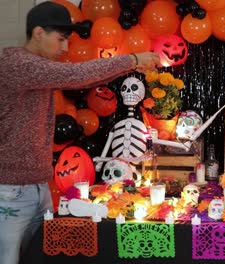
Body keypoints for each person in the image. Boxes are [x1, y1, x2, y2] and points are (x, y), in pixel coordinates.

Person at [0, 2, 162, 264]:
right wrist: (132, 59)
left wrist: (130, 67)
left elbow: (83, 78)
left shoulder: (37, 69)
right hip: (11, 190)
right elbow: (76, 75)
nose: (65, 48)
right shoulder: (20, 65)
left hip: (37, 187)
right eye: (61, 39)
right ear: (39, 33)